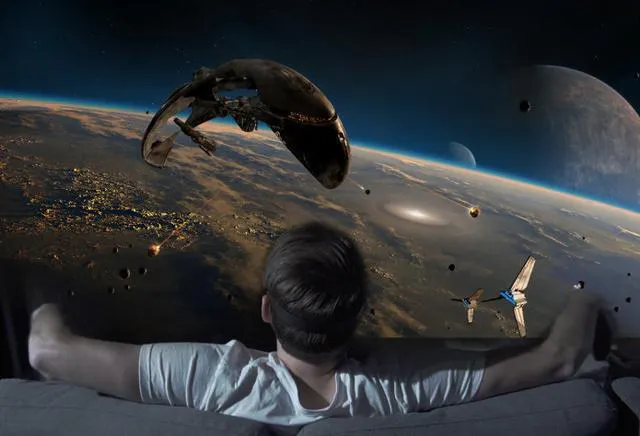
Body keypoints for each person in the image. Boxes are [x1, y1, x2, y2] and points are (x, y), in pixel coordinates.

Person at [27, 221, 604, 426]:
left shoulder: (210, 377)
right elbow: (558, 360)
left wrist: (43, 290)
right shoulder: (401, 390)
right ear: (358, 317)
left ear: (266, 311)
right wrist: (588, 290)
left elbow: (46, 353)